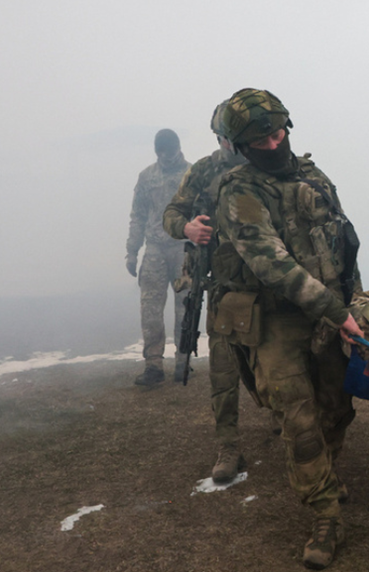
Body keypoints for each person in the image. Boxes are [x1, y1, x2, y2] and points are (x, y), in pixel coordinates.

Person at [213, 88, 364, 570]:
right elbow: (270, 263)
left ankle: (327, 474)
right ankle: (325, 515)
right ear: (242, 146)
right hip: (277, 319)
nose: (274, 144)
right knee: (299, 423)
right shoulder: (239, 190)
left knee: (337, 408)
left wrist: (354, 305)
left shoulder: (315, 177)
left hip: (330, 312)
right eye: (261, 141)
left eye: (278, 134)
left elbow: (343, 244)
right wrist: (337, 311)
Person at [162, 101, 251, 483]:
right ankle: (228, 446)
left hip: (270, 285)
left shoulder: (268, 165)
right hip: (225, 288)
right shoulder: (203, 170)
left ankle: (286, 425)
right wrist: (187, 229)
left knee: (277, 367)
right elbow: (171, 213)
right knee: (223, 373)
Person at [126, 129, 192, 385]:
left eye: (169, 151)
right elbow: (138, 215)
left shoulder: (192, 174)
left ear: (178, 148)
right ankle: (153, 365)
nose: (166, 156)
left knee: (185, 308)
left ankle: (183, 362)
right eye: (161, 152)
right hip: (155, 249)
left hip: (184, 249)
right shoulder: (147, 176)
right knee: (150, 310)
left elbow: (204, 211)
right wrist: (132, 251)